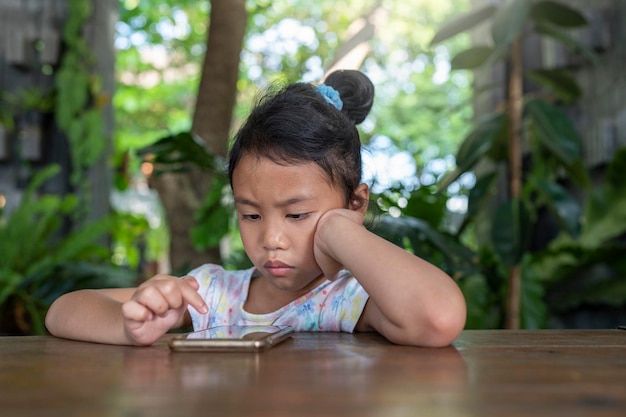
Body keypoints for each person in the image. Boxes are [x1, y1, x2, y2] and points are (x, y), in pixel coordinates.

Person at [45, 70, 466, 347]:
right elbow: (63, 312)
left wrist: (341, 229)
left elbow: (438, 318)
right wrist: (128, 323)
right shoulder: (211, 295)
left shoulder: (350, 300)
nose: (271, 240)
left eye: (298, 215)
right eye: (250, 214)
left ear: (355, 202)